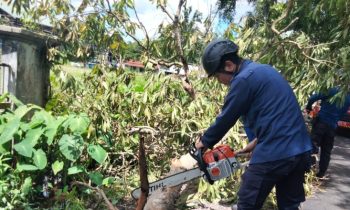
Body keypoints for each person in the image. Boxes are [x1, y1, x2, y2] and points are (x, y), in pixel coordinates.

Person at [195, 39, 312, 210]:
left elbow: (227, 117)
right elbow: (279, 116)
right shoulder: (263, 70)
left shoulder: (243, 79)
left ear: (228, 65)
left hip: (276, 151)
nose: (219, 81)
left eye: (217, 76)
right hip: (300, 150)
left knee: (247, 204)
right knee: (290, 206)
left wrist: (203, 142)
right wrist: (256, 142)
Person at [305, 88, 350, 178]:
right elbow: (343, 112)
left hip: (321, 123)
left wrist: (309, 107)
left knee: (313, 146)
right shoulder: (348, 98)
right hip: (332, 127)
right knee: (326, 151)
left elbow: (313, 97)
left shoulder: (333, 90)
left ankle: (309, 171)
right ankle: (321, 173)